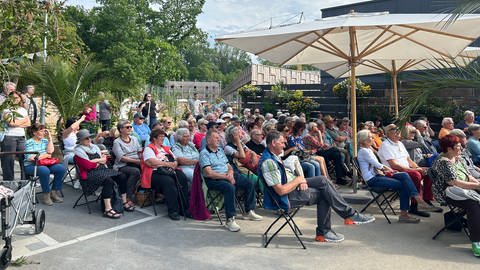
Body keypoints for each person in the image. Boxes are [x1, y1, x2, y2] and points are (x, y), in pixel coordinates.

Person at [259, 131, 375, 243]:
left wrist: (299, 180)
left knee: (323, 180)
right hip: (285, 198)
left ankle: (344, 219)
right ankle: (328, 230)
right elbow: (280, 191)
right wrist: (299, 180)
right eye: (282, 142)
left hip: (293, 187)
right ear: (273, 143)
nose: (285, 145)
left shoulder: (274, 156)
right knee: (325, 194)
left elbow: (286, 176)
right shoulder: (269, 162)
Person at [357, 129, 435, 223]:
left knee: (404, 175)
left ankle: (417, 200)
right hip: (372, 179)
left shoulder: (369, 149)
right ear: (364, 140)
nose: (372, 138)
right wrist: (391, 170)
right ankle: (406, 213)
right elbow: (379, 166)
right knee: (403, 184)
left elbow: (379, 165)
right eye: (370, 137)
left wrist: (392, 171)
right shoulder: (364, 151)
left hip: (378, 176)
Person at [200, 129, 262, 232]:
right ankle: (230, 219)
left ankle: (249, 210)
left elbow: (228, 165)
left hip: (227, 175)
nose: (218, 139)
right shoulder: (204, 153)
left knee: (249, 182)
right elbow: (208, 173)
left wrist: (231, 174)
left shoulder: (220, 150)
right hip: (213, 179)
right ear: (208, 140)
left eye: (218, 137)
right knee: (229, 187)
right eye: (215, 138)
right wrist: (226, 177)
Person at [430, 134, 480, 257]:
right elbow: (454, 182)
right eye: (458, 146)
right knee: (473, 205)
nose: (461, 149)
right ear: (449, 149)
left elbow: (469, 176)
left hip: (465, 188)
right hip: (449, 192)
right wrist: (478, 187)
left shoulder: (459, 158)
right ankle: (476, 242)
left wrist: (478, 184)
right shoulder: (443, 162)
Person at [378, 124, 442, 217]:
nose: (397, 133)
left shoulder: (399, 143)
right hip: (394, 172)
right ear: (388, 133)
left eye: (398, 131)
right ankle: (414, 206)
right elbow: (394, 165)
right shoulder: (386, 145)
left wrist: (417, 168)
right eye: (394, 131)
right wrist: (417, 170)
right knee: (416, 175)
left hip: (406, 169)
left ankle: (427, 200)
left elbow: (409, 160)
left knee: (429, 172)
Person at [74, 129, 130, 219]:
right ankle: (107, 209)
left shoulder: (95, 147)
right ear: (80, 141)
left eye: (89, 137)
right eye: (86, 138)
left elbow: (105, 160)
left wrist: (96, 161)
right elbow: (88, 166)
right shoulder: (78, 152)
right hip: (89, 175)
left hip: (103, 170)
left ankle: (123, 201)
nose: (89, 140)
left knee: (121, 176)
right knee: (108, 181)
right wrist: (99, 161)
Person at [141, 128, 190, 220]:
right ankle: (173, 210)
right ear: (154, 138)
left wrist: (174, 163)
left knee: (182, 177)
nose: (163, 138)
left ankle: (184, 208)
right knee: (169, 181)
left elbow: (175, 159)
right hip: (154, 172)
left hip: (168, 170)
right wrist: (168, 164)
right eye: (160, 136)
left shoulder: (166, 148)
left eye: (163, 136)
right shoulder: (149, 148)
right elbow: (151, 162)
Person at [24, 124, 66, 205]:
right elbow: (31, 158)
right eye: (41, 131)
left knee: (61, 168)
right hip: (31, 165)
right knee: (44, 170)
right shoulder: (29, 142)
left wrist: (50, 138)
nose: (43, 133)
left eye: (44, 131)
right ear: (34, 132)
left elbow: (50, 151)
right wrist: (46, 155)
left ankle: (53, 193)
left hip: (45, 163)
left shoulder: (45, 141)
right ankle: (46, 195)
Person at [1, 91, 31, 181]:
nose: (15, 99)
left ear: (20, 99)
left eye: (17, 98)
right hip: (9, 137)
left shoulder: (23, 110)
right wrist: (23, 121)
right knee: (8, 161)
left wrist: (17, 123)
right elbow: (11, 123)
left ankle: (24, 181)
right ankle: (9, 182)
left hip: (21, 137)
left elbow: (28, 123)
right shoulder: (6, 109)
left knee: (24, 159)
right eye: (13, 98)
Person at [112, 120, 141, 208]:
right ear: (121, 129)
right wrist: (137, 161)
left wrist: (143, 158)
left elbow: (139, 151)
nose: (130, 128)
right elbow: (121, 158)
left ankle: (151, 194)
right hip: (122, 165)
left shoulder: (134, 139)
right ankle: (128, 197)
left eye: (130, 127)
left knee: (152, 168)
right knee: (135, 171)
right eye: (127, 127)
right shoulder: (117, 142)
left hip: (136, 162)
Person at [62, 115, 86, 189]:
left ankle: (83, 178)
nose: (78, 125)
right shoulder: (66, 133)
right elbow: (72, 127)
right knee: (81, 158)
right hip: (70, 154)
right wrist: (81, 119)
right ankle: (80, 179)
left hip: (79, 152)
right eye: (76, 123)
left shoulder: (77, 133)